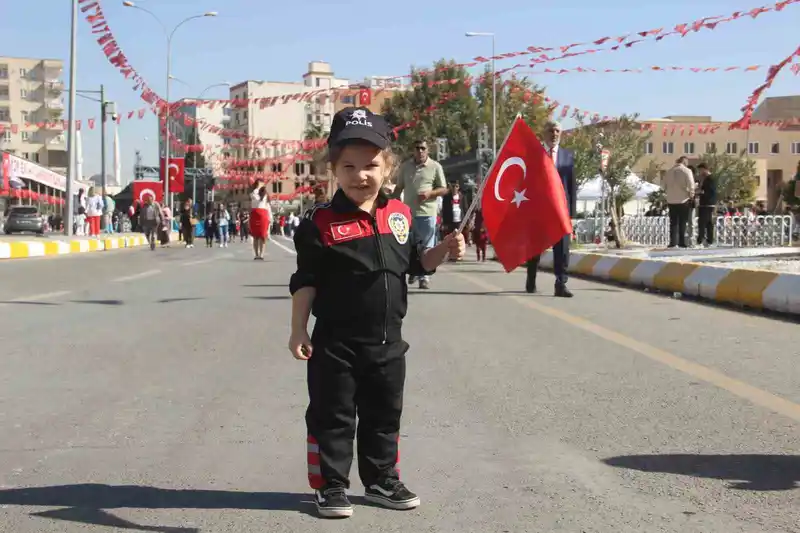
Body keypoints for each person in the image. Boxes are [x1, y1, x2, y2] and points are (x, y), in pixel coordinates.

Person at [288, 107, 465, 519]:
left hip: (387, 343)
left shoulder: (399, 215)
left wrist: (445, 249)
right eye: (348, 166)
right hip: (336, 345)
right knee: (332, 417)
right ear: (334, 169)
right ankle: (331, 485)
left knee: (384, 416)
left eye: (370, 165)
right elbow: (306, 280)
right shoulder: (320, 221)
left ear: (388, 167)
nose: (360, 175)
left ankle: (382, 479)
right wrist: (298, 329)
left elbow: (418, 263)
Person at [525, 120, 577, 297]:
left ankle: (561, 284)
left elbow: (572, 186)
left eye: (557, 131)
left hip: (560, 211)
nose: (554, 134)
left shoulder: (567, 156)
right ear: (544, 133)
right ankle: (531, 279)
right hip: (539, 210)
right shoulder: (535, 155)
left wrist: (571, 214)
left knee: (562, 249)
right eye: (550, 131)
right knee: (535, 248)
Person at [393, 139, 448, 289]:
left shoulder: (435, 166)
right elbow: (399, 188)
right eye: (417, 148)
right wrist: (389, 202)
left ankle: (424, 277)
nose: (420, 151)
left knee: (426, 245)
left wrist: (430, 193)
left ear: (428, 150)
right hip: (407, 213)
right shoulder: (405, 167)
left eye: (423, 148)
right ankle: (414, 270)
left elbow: (444, 189)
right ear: (413, 150)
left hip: (427, 213)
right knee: (408, 244)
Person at [663, 156, 695, 248]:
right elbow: (691, 185)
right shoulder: (687, 171)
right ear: (684, 162)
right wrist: (691, 195)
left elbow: (663, 186)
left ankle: (673, 242)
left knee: (673, 222)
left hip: (671, 200)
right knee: (682, 222)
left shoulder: (668, 171)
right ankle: (681, 242)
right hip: (683, 200)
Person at [249, 180, 272, 260]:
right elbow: (256, 200)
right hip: (255, 214)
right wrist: (257, 188)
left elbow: (268, 206)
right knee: (255, 236)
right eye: (261, 183)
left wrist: (270, 217)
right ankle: (256, 254)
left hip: (263, 215)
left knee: (262, 236)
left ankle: (261, 254)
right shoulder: (253, 193)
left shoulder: (265, 194)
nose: (263, 184)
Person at [696, 163, 717, 246]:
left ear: (704, 169)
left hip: (707, 204)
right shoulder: (705, 179)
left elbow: (711, 191)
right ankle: (709, 240)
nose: (700, 172)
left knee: (703, 222)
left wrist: (701, 192)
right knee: (708, 223)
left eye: (700, 170)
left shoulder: (710, 179)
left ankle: (701, 240)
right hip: (705, 204)